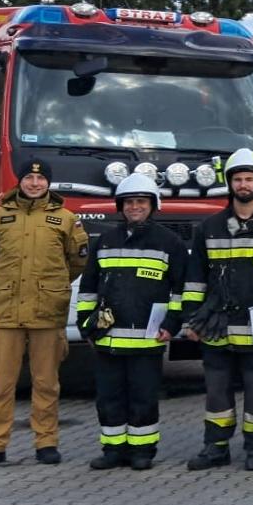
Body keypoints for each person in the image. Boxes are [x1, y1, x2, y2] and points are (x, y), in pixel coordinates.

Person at [179, 149, 253, 471]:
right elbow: (195, 279)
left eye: (250, 178)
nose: (244, 184)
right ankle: (215, 447)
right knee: (216, 392)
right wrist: (192, 319)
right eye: (238, 179)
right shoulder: (209, 227)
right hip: (216, 325)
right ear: (230, 183)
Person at [0, 159, 89, 468]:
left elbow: (76, 262)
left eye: (40, 178)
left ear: (48, 183)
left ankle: (46, 442)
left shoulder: (66, 220)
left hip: (47, 312)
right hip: (6, 312)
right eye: (29, 177)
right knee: (1, 384)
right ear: (20, 181)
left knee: (46, 382)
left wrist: (53, 286)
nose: (35, 183)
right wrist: (0, 282)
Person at [77, 173, 184, 470]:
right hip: (107, 339)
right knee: (109, 397)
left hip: (147, 340)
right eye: (129, 202)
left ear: (153, 205)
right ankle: (112, 449)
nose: (135, 207)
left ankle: (142, 450)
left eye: (141, 202)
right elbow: (89, 286)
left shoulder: (169, 243)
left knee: (143, 397)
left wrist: (172, 324)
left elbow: (180, 290)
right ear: (120, 206)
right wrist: (86, 323)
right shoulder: (105, 242)